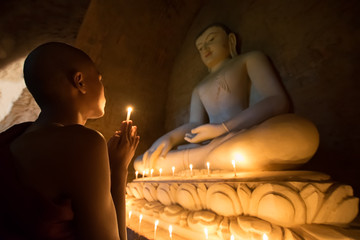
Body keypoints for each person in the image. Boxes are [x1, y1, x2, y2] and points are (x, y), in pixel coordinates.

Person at [134, 23, 319, 175]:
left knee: (303, 133)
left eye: (211, 40)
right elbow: (194, 125)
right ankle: (210, 158)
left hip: (242, 135)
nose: (205, 48)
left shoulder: (249, 59)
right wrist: (169, 139)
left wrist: (223, 128)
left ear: (230, 41)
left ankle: (209, 158)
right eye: (200, 47)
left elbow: (278, 100)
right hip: (216, 147)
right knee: (142, 162)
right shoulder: (199, 88)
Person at [0, 42, 139, 239]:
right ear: (80, 81)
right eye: (99, 79)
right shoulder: (85, 143)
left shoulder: (12, 139)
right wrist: (118, 169)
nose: (102, 86)